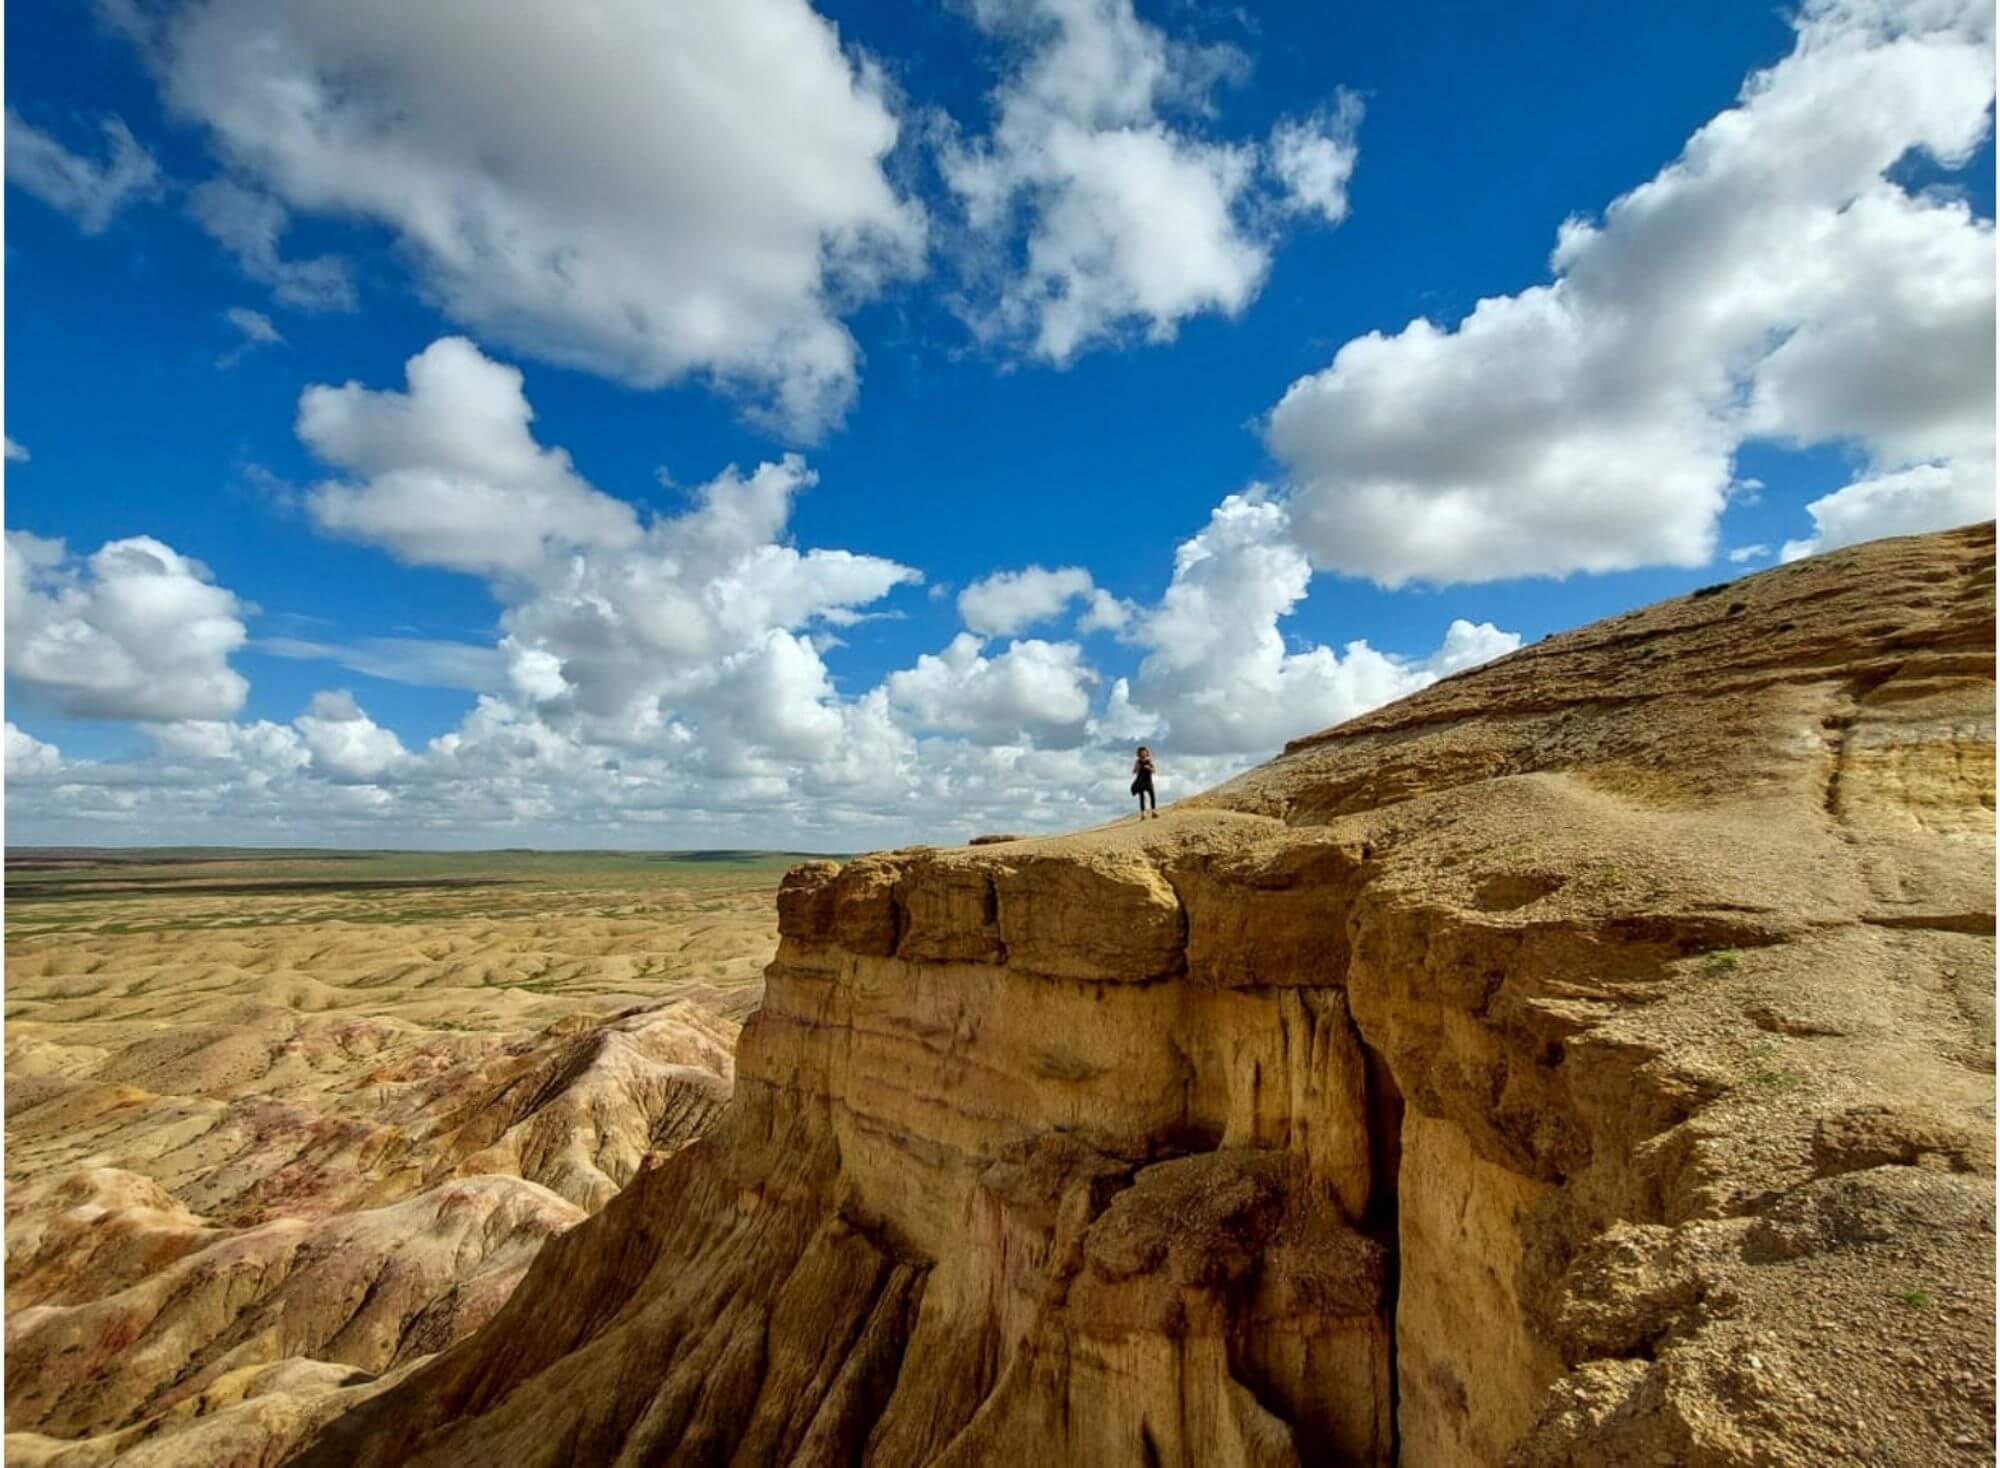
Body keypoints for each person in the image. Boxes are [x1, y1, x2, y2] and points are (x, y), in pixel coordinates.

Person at [1131, 745, 1157, 818]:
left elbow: (1154, 770)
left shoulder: (1149, 760)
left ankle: (1154, 812)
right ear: (1139, 753)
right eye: (1142, 752)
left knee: (1152, 795)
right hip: (1140, 781)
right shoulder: (1138, 761)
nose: (1143, 753)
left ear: (1147, 752)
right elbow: (1134, 771)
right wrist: (1137, 768)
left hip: (1148, 780)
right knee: (1142, 797)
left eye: (1144, 752)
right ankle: (1143, 814)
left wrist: (1149, 768)